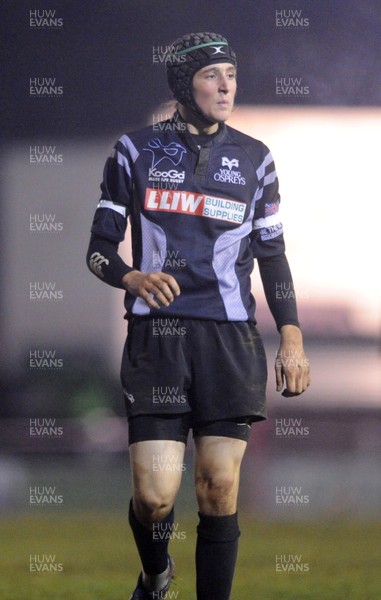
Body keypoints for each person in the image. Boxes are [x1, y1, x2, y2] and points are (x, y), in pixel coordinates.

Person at [86, 31, 310, 600]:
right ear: (184, 85)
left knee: (218, 486)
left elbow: (272, 254)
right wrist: (132, 277)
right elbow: (98, 250)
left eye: (231, 73)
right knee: (156, 496)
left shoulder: (256, 158)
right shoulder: (134, 151)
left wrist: (291, 335)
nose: (227, 85)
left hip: (230, 341)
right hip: (156, 338)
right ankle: (157, 574)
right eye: (213, 75)